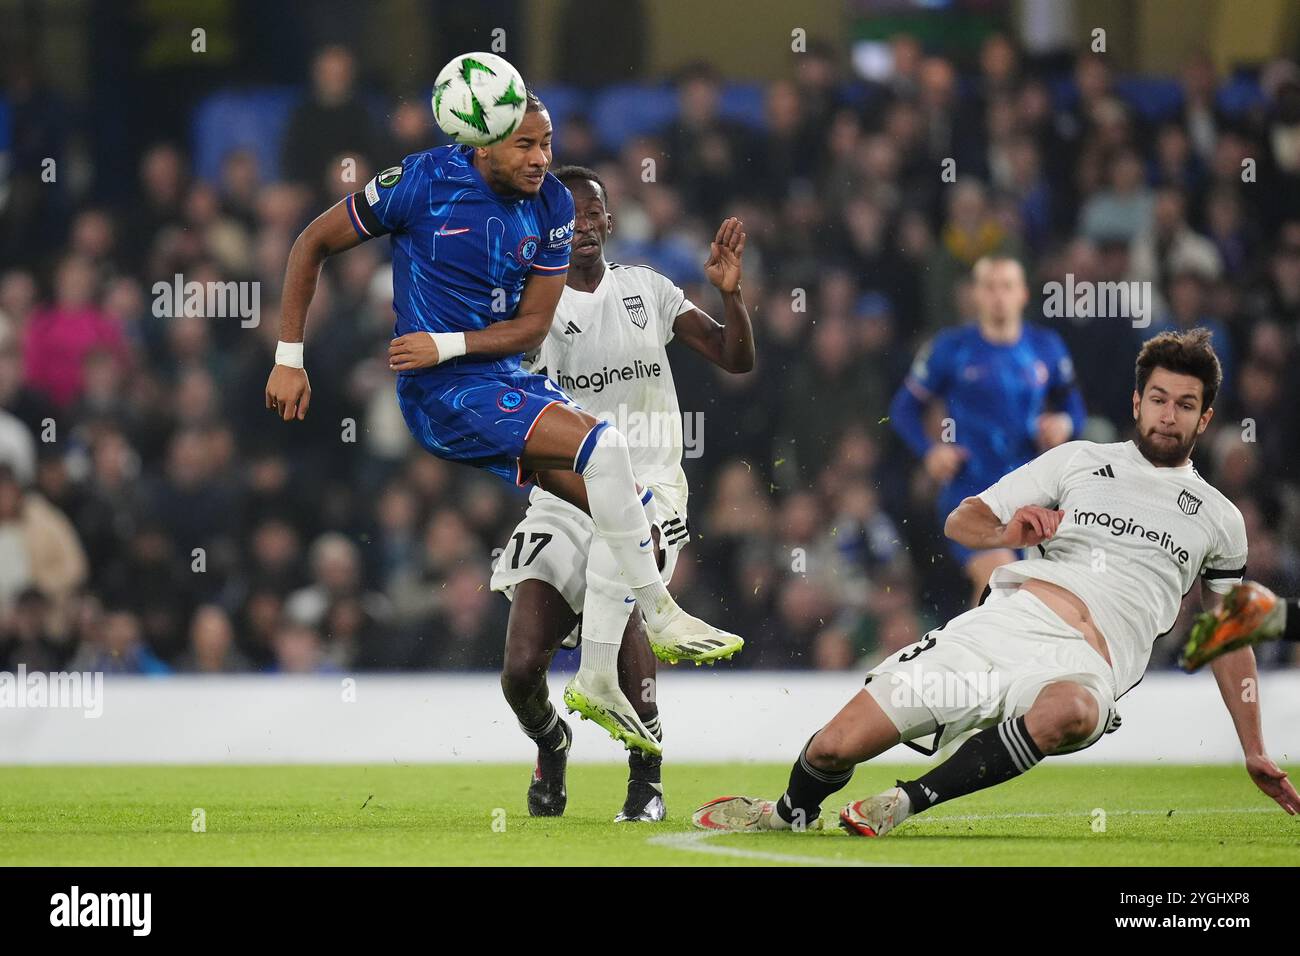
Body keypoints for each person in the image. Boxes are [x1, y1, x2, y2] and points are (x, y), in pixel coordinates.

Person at [264, 84, 742, 735]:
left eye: (546, 143)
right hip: (444, 393)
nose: (541, 157)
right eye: (526, 144)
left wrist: (448, 341)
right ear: (482, 143)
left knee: (623, 497)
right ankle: (658, 616)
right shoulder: (418, 182)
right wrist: (290, 358)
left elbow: (527, 329)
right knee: (606, 452)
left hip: (499, 375)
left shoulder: (549, 208)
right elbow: (309, 245)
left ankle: (599, 678)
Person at [695, 329, 1299, 836]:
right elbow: (964, 520)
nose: (1170, 415)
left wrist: (1252, 747)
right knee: (833, 747)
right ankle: (789, 813)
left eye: (1186, 405)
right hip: (1001, 627)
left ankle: (907, 802)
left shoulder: (1220, 519)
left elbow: (1230, 632)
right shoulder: (1078, 461)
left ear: (1206, 417)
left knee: (1077, 709)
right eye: (1160, 399)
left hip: (1089, 663)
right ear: (1138, 401)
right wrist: (1013, 524)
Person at [488, 165, 754, 819]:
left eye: (591, 213)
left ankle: (647, 780)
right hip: (564, 498)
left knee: (627, 611)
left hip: (653, 491)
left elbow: (734, 357)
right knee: (521, 669)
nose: (581, 224)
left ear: (609, 222)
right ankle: (552, 741)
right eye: (567, 215)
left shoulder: (648, 291)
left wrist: (732, 295)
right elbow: (525, 440)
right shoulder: (537, 314)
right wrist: (598, 497)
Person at [890, 256, 1085, 607]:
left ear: (1023, 294)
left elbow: (1075, 410)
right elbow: (904, 408)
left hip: (1033, 495)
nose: (998, 296)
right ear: (974, 295)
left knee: (1018, 599)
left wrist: (1063, 425)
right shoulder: (950, 348)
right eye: (989, 287)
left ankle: (972, 658)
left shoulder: (1046, 347)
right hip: (971, 493)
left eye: (1007, 286)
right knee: (1004, 583)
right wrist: (930, 450)